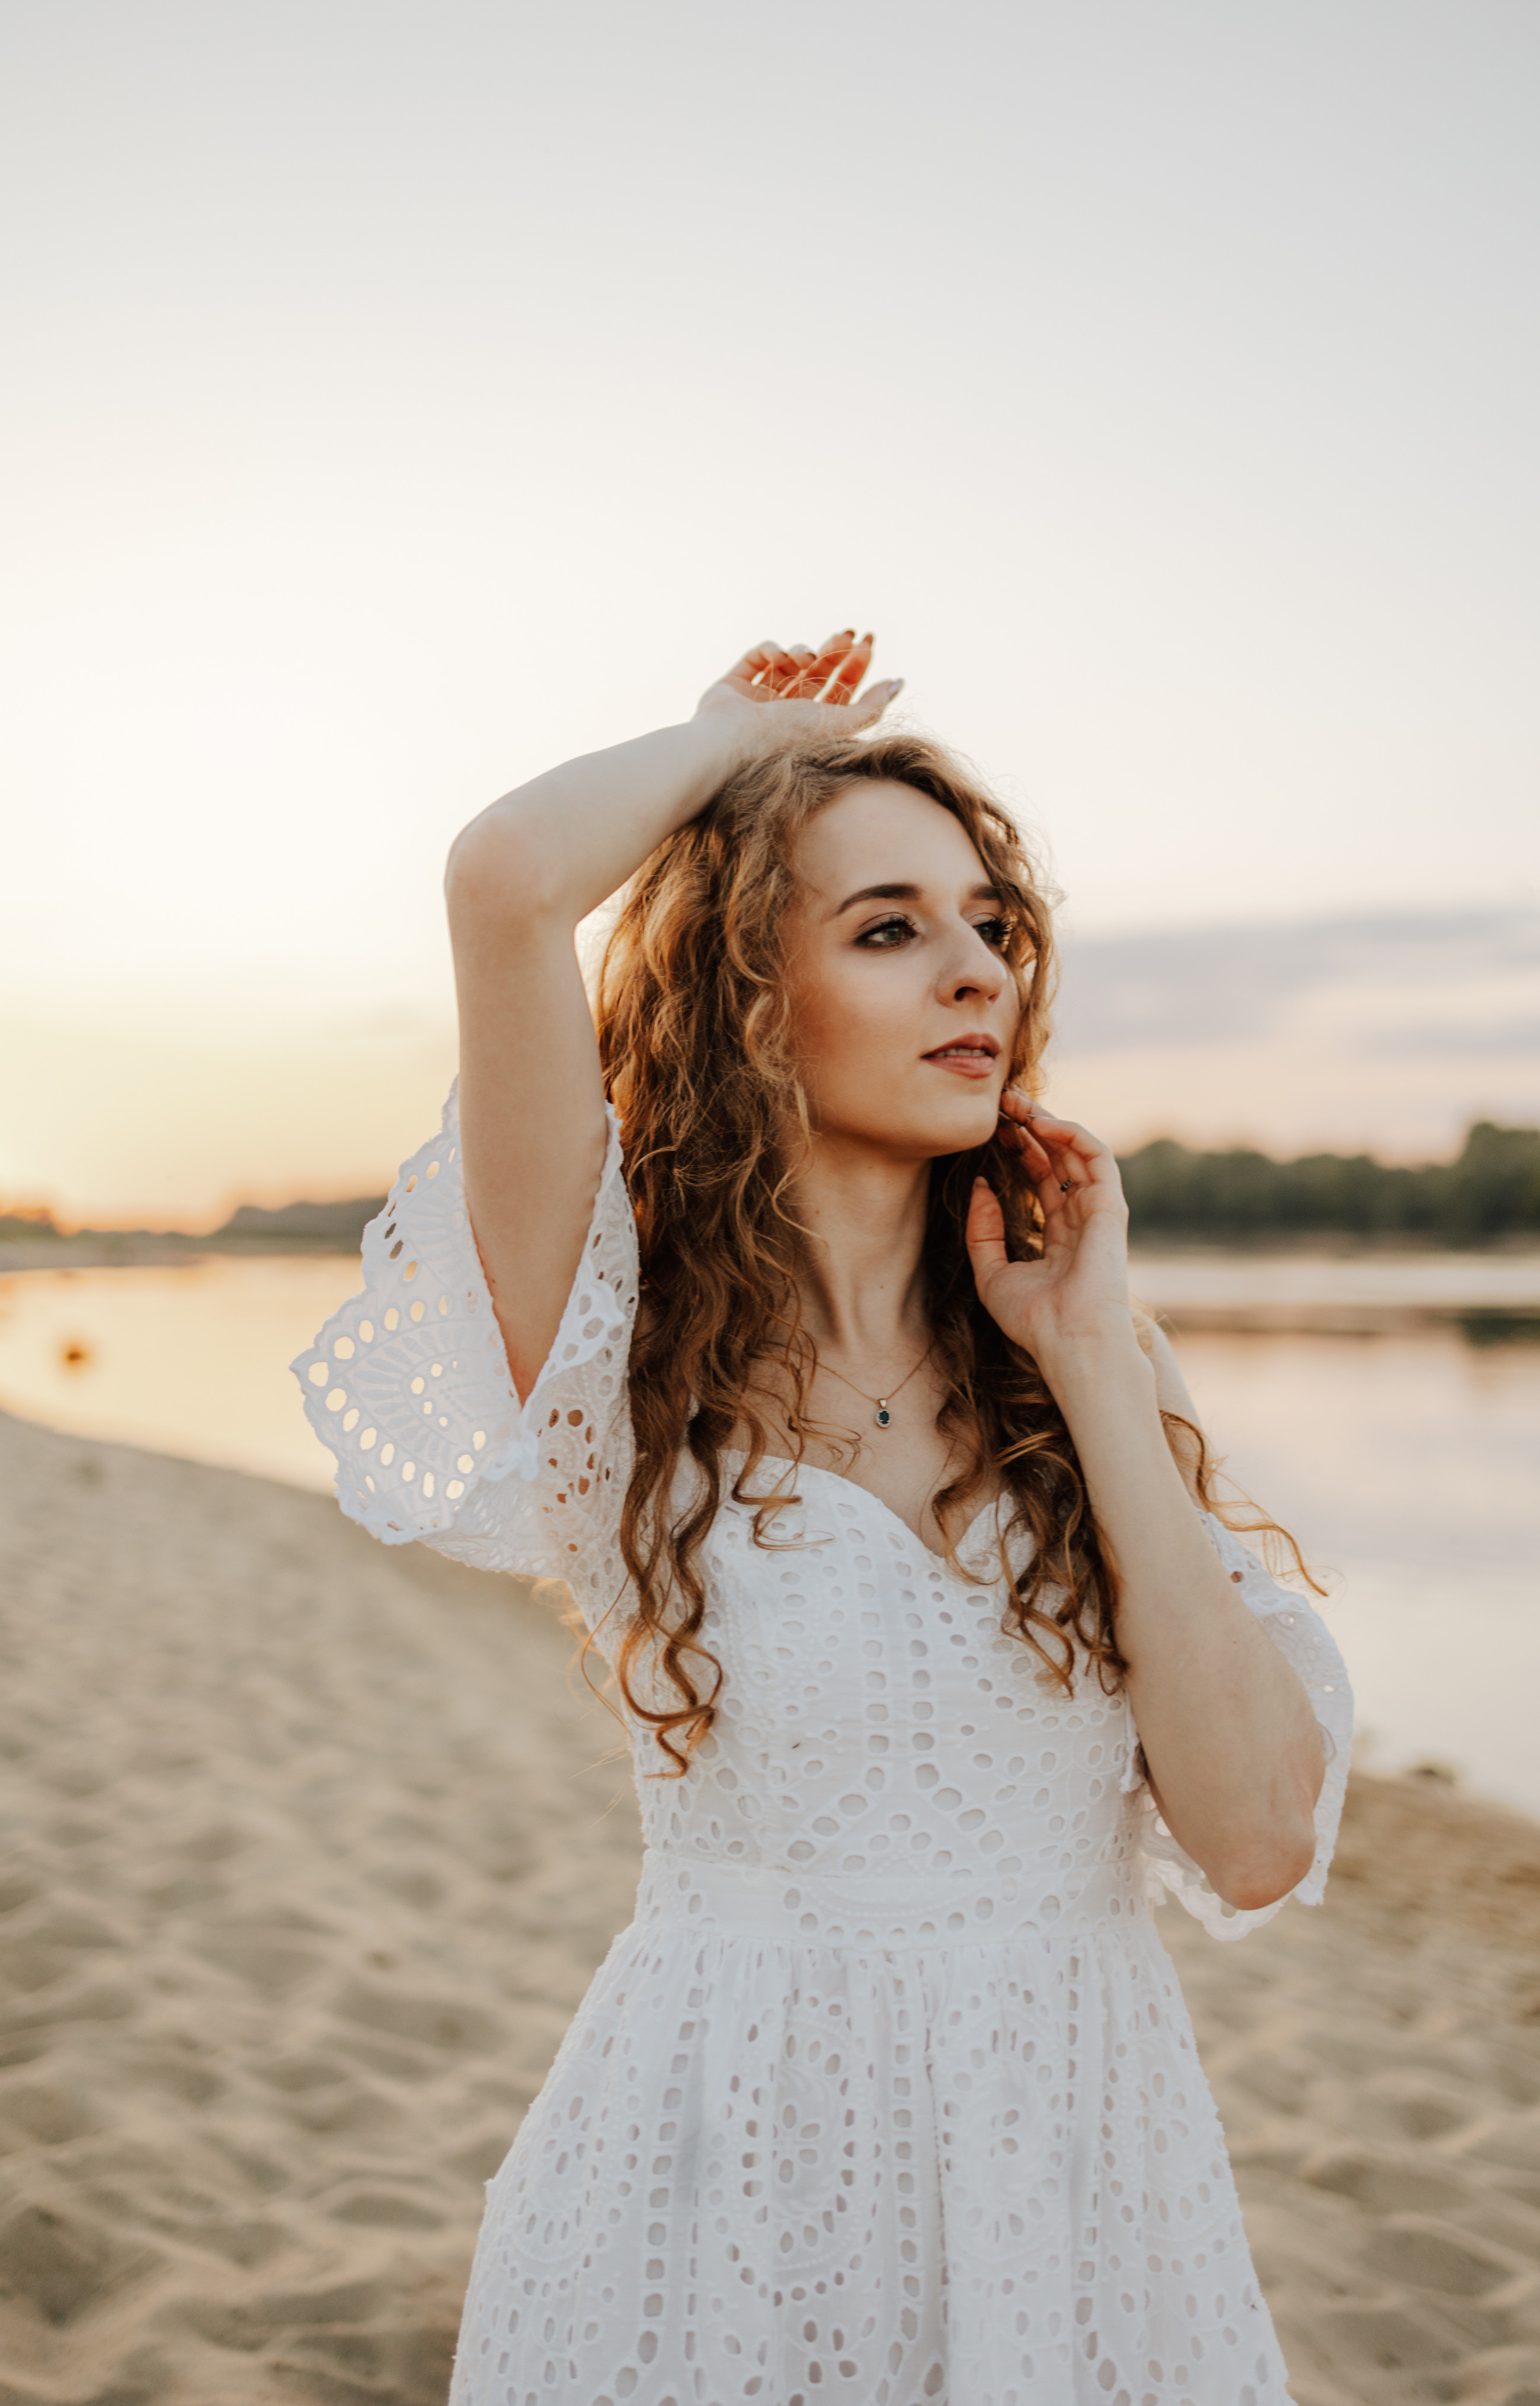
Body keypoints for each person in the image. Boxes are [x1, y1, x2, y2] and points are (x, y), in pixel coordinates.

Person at [295, 630, 1351, 2406]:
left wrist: (1091, 1360)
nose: (977, 974)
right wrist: (738, 740)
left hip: (1077, 2178)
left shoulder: (1090, 1362)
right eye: (889, 927)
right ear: (750, 996)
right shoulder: (613, 1345)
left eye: (992, 924)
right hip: (725, 2179)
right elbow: (506, 877)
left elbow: (1254, 1839)